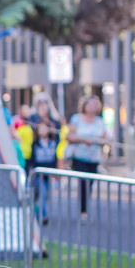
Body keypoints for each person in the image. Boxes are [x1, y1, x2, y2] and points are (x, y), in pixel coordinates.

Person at [65, 94, 108, 219]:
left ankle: (84, 207)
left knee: (90, 183)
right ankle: (83, 211)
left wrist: (96, 141)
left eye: (94, 105)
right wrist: (83, 140)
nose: (91, 107)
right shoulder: (77, 119)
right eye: (89, 105)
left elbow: (105, 140)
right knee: (83, 182)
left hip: (94, 158)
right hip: (79, 157)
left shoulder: (100, 121)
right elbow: (69, 136)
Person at [26, 95, 62, 225]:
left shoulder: (54, 121)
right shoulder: (32, 119)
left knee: (44, 192)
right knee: (38, 191)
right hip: (35, 164)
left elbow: (58, 138)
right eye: (39, 102)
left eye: (45, 102)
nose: (42, 105)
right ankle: (41, 213)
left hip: (49, 163)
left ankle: (40, 211)